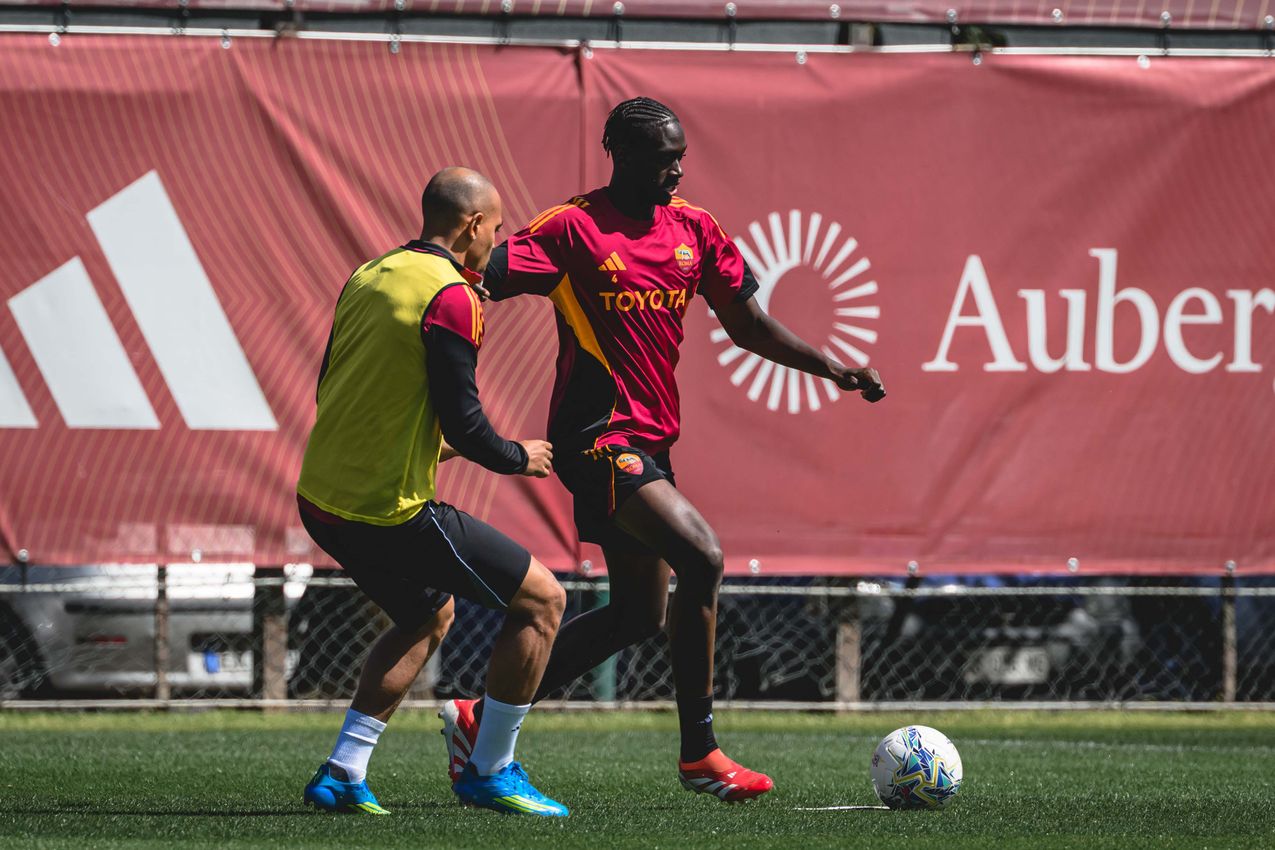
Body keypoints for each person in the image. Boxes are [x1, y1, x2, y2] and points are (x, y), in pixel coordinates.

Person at [439, 99, 886, 803]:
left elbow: (747, 325)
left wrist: (829, 366)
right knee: (703, 555)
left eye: (679, 155)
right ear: (616, 151)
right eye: (658, 157)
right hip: (594, 440)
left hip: (651, 442)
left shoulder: (695, 229)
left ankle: (479, 713)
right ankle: (699, 753)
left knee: (637, 616)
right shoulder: (572, 228)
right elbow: (468, 278)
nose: (674, 168)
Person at [297, 167, 569, 817]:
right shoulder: (453, 295)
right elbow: (467, 426)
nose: (496, 243)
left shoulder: (370, 273)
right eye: (497, 229)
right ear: (472, 226)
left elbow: (339, 393)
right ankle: (492, 769)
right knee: (542, 600)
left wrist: (427, 446)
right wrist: (517, 456)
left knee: (426, 615)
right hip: (385, 511)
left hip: (319, 499)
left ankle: (342, 772)